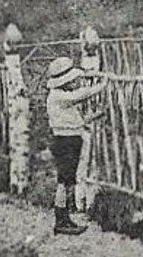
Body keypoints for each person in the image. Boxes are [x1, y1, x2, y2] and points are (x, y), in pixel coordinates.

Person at [44, 57, 106, 236]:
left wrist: (93, 116)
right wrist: (102, 85)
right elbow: (79, 95)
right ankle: (61, 219)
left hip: (69, 138)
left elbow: (75, 121)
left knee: (67, 180)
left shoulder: (62, 99)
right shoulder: (58, 96)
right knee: (64, 181)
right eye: (73, 81)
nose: (76, 84)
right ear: (64, 82)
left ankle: (64, 217)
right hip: (65, 140)